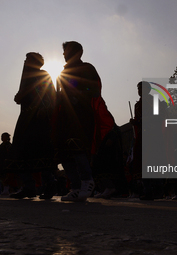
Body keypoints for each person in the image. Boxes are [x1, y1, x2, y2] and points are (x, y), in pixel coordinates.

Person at [55, 41, 103, 201]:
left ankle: (87, 181)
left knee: (78, 147)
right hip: (65, 115)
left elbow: (94, 88)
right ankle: (75, 186)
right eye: (63, 51)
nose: (64, 54)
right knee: (64, 150)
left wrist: (77, 96)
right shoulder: (62, 72)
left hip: (81, 114)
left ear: (78, 52)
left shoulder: (87, 68)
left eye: (67, 51)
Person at [9, 52, 57, 199]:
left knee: (41, 152)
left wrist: (45, 109)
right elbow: (23, 95)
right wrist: (19, 96)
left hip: (39, 118)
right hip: (26, 118)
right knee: (21, 151)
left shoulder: (42, 75)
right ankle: (28, 186)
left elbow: (51, 95)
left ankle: (50, 184)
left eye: (28, 59)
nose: (25, 62)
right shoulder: (26, 79)